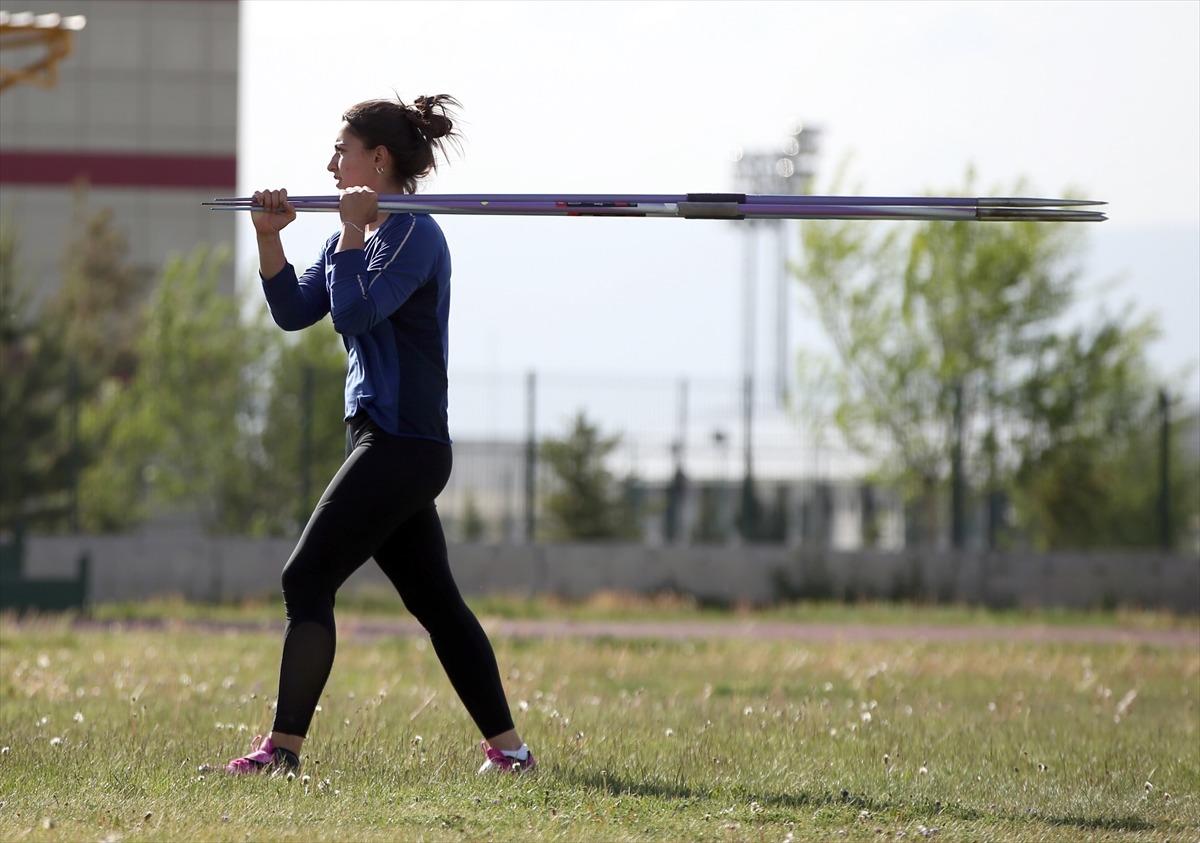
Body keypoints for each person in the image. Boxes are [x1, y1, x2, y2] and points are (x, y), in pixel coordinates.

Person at [224, 94, 535, 776]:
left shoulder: (416, 234)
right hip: (382, 440)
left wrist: (354, 236)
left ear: (378, 158)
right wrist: (270, 235)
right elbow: (295, 310)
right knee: (437, 604)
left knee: (305, 577)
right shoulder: (354, 232)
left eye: (342, 150)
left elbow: (356, 314)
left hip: (404, 445)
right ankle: (512, 752)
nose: (330, 163)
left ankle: (283, 753)